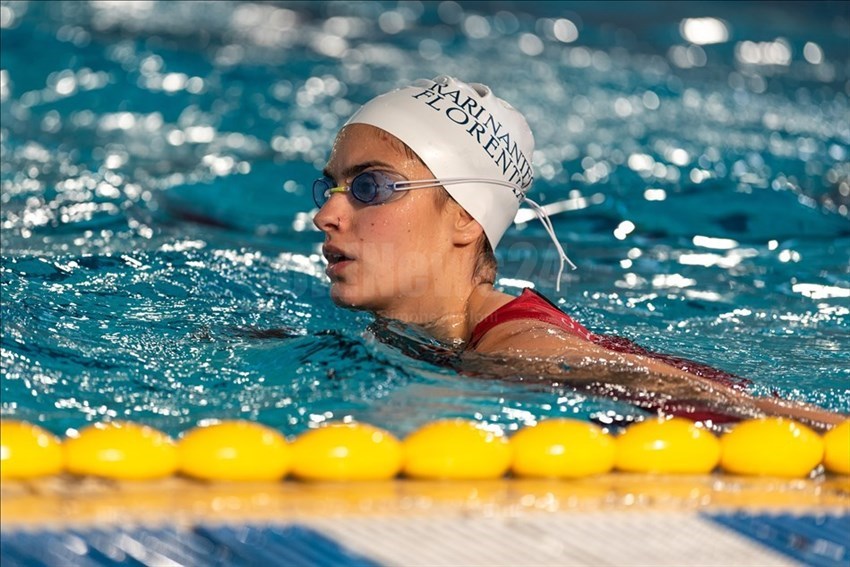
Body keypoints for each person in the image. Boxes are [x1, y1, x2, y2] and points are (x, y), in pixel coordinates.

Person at [312, 75, 843, 429]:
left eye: (370, 188)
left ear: (466, 217)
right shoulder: (421, 334)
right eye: (331, 188)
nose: (326, 216)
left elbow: (746, 411)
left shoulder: (519, 348)